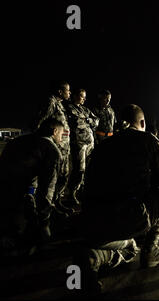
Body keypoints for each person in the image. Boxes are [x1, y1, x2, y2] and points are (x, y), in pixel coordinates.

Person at [76, 104, 159, 292]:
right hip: (124, 217)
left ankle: (94, 257)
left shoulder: (103, 145)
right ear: (142, 122)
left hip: (91, 219)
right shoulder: (148, 139)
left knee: (127, 244)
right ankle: (150, 250)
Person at [0, 118, 64, 257]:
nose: (61, 138)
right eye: (61, 134)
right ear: (54, 132)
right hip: (18, 191)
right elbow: (47, 188)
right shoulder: (51, 150)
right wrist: (44, 219)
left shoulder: (17, 141)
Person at [34, 81, 72, 215]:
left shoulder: (60, 104)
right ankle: (47, 210)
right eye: (67, 90)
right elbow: (38, 121)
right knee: (51, 179)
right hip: (54, 147)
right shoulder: (50, 102)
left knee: (63, 176)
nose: (70, 93)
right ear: (60, 91)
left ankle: (57, 202)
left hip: (63, 148)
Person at [66, 89, 99, 206]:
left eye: (85, 97)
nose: (84, 99)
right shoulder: (69, 108)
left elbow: (96, 121)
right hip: (79, 143)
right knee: (80, 169)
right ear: (75, 96)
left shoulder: (85, 109)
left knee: (89, 169)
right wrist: (89, 121)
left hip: (90, 143)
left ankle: (82, 192)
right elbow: (76, 122)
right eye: (82, 96)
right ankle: (72, 193)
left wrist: (88, 120)